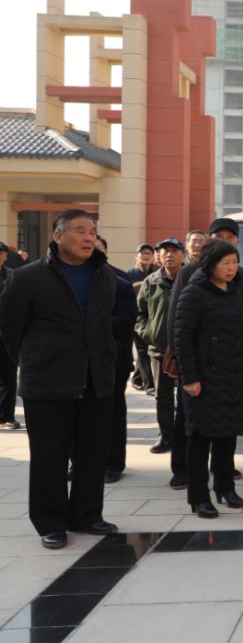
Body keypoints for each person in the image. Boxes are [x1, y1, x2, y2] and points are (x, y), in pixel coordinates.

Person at [0, 209, 118, 549]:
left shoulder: (104, 275)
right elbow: (9, 329)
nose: (88, 237)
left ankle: (87, 514)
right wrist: (33, 362)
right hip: (48, 383)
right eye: (80, 231)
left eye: (92, 232)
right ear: (58, 236)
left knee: (93, 453)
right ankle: (51, 522)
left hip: (96, 379)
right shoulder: (28, 277)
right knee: (49, 456)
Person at [166, 218, 243, 484]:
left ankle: (223, 472)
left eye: (230, 237)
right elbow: (178, 319)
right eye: (218, 236)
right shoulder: (190, 274)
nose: (224, 241)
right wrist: (180, 360)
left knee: (227, 422)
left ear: (237, 241)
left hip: (230, 364)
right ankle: (182, 470)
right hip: (198, 362)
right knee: (190, 420)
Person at [135, 238, 185, 460]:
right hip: (158, 349)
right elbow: (140, 313)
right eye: (165, 251)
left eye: (174, 251)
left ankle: (188, 435)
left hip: (186, 348)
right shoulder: (151, 281)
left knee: (187, 396)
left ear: (182, 255)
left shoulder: (191, 279)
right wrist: (148, 333)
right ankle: (166, 436)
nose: (169, 255)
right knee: (162, 396)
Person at [94, 236, 137, 484]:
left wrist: (93, 325)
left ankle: (113, 463)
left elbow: (126, 320)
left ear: (106, 253)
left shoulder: (120, 282)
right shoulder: (66, 281)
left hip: (113, 361)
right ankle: (79, 461)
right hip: (76, 362)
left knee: (112, 414)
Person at [127, 243, 158, 394]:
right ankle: (150, 384)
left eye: (148, 253)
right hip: (136, 317)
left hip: (154, 318)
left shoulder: (157, 273)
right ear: (136, 256)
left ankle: (137, 379)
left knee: (145, 351)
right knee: (142, 350)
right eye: (142, 253)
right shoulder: (130, 273)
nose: (145, 256)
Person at [0, 243, 19, 430]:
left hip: (7, 333)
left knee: (8, 376)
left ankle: (7, 416)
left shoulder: (13, 276)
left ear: (6, 256)